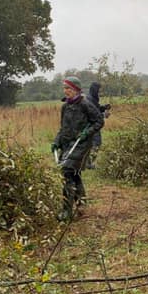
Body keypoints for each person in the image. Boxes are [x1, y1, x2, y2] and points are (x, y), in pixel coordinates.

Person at [51, 76, 104, 221]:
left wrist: (87, 133)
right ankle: (82, 206)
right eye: (64, 88)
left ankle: (66, 211)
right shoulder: (65, 107)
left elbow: (99, 121)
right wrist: (56, 141)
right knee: (74, 174)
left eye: (68, 88)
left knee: (66, 172)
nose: (65, 91)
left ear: (76, 89)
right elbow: (63, 128)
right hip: (67, 145)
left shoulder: (85, 104)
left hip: (81, 144)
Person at [85, 82, 111, 168]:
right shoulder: (89, 99)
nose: (100, 92)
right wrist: (104, 115)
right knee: (96, 143)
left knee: (92, 144)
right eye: (99, 90)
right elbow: (93, 114)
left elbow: (97, 108)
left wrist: (104, 107)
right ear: (95, 90)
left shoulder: (93, 98)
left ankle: (88, 163)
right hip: (92, 125)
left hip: (93, 125)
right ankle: (89, 163)